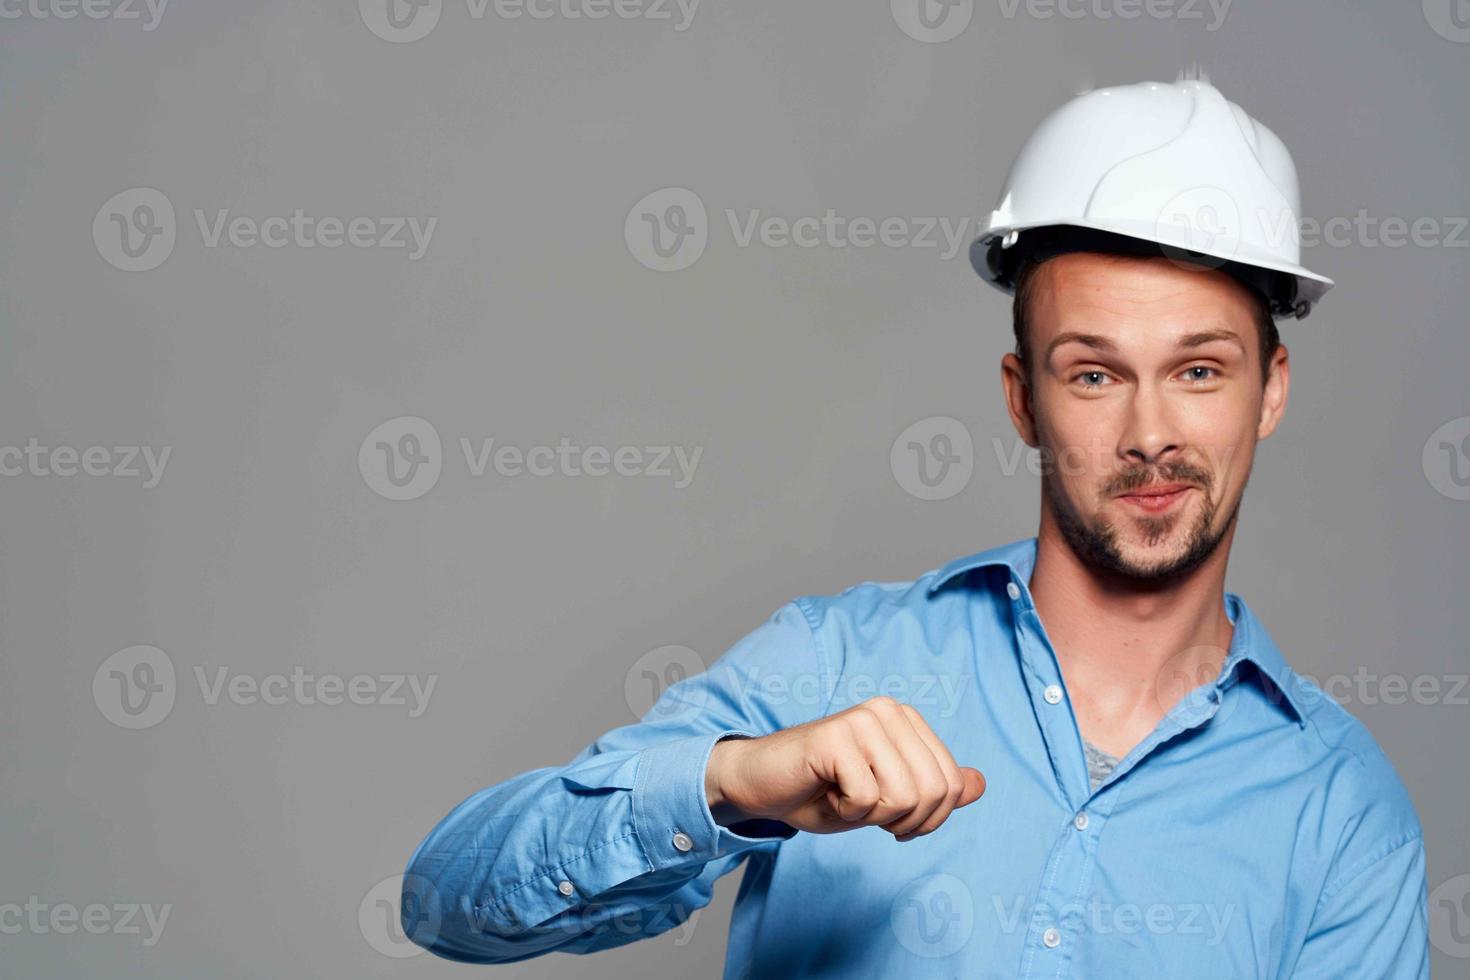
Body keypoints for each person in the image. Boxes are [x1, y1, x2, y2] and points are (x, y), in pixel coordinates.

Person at [400, 75, 1428, 977]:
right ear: (1024, 397)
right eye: (1094, 374)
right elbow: (447, 901)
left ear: (1271, 389)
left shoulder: (1341, 814)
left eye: (1198, 369)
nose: (1149, 432)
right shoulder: (835, 662)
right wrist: (737, 779)